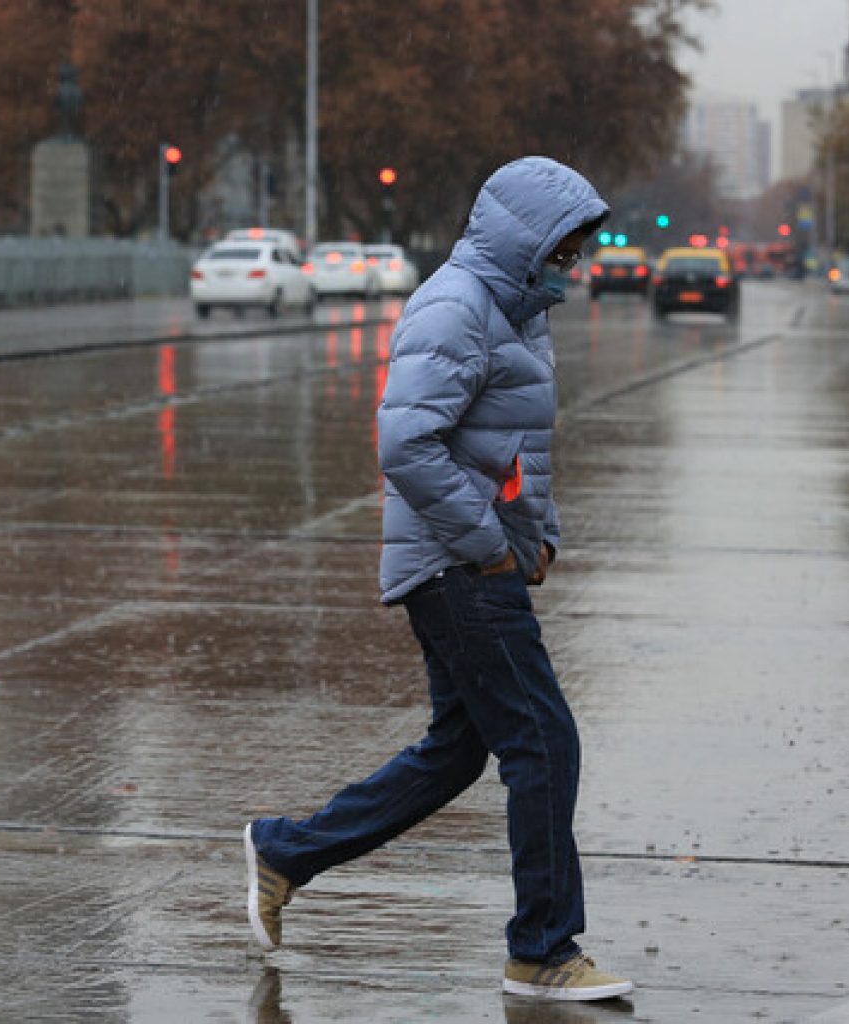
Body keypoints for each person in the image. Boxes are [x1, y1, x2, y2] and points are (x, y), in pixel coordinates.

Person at [244, 156, 633, 1003]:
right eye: (564, 249)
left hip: (477, 561)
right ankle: (542, 949)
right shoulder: (457, 306)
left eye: (577, 252)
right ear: (525, 238)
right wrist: (489, 546)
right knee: (543, 740)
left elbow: (517, 446)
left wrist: (541, 537)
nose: (571, 266)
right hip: (455, 568)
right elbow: (406, 445)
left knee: (457, 752)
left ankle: (286, 852)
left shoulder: (516, 310)